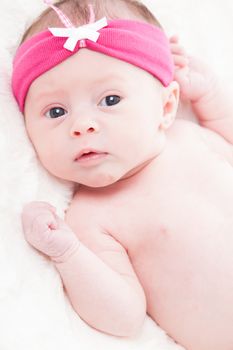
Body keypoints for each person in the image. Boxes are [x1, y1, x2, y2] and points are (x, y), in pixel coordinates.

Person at [11, 1, 233, 349]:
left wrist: (211, 93)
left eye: (110, 100)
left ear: (167, 106)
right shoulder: (91, 218)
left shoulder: (194, 137)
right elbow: (123, 317)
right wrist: (67, 253)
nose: (82, 125)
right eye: (56, 111)